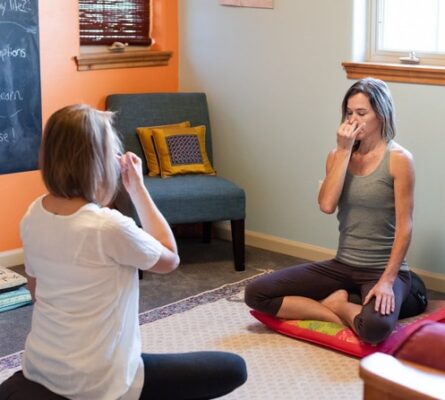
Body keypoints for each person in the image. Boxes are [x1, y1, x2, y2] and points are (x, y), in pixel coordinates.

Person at [0, 104, 247, 400]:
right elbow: (170, 257)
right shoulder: (108, 226)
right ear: (99, 162)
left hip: (41, 368)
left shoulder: (33, 214)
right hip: (102, 383)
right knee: (233, 368)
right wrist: (138, 189)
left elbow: (36, 291)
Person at [245, 77, 416, 344]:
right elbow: (326, 205)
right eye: (349, 113)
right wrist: (343, 151)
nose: (352, 120)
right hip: (342, 264)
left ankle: (339, 305)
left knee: (374, 329)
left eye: (361, 113)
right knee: (256, 293)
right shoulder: (337, 155)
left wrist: (387, 280)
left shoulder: (399, 160)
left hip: (380, 269)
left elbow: (405, 227)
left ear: (381, 115)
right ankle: (333, 309)